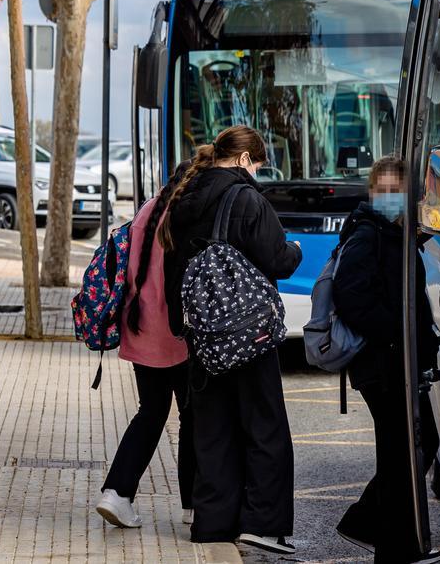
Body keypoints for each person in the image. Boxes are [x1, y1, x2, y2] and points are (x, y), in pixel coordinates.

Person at [159, 125, 303, 555]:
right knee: (264, 424)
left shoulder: (181, 196)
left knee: (212, 427)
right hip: (247, 334)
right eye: (257, 164)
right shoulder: (246, 199)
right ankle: (261, 522)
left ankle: (212, 523)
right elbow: (278, 259)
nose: (257, 172)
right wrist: (294, 249)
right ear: (244, 160)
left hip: (202, 336)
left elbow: (171, 268)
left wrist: (180, 324)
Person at [332, 155, 440, 564]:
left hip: (396, 362)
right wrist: (398, 334)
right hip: (383, 364)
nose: (392, 197)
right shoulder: (368, 233)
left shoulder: (392, 232)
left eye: (399, 190)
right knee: (409, 449)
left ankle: (387, 539)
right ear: (374, 191)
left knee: (408, 450)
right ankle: (388, 543)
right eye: (385, 190)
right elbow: (351, 297)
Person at [95, 164, 195, 530]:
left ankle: (117, 493)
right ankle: (193, 504)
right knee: (192, 416)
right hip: (176, 336)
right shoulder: (185, 217)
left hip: (139, 329)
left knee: (151, 413)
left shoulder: (147, 210)